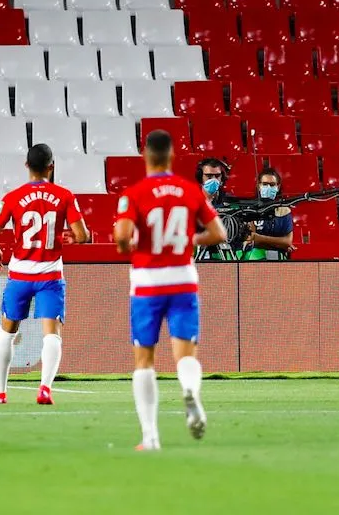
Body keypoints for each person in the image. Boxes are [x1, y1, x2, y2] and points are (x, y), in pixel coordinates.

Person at [115, 130, 227, 451]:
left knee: (144, 359)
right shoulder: (190, 191)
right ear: (172, 156)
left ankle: (150, 436)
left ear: (145, 155)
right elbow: (218, 233)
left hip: (148, 282)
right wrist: (188, 240)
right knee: (185, 354)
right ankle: (190, 390)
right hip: (182, 280)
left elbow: (122, 238)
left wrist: (134, 246)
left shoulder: (134, 193)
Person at [0, 143, 91, 406]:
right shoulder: (64, 196)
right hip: (50, 275)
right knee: (51, 334)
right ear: (51, 166)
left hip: (20, 274)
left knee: (7, 332)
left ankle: (0, 392)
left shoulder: (13, 197)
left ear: (26, 165)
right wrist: (72, 238)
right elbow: (83, 235)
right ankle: (44, 389)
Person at [241, 168, 293, 261]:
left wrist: (258, 238)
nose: (268, 187)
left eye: (272, 185)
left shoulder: (284, 210)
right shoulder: (249, 208)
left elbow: (288, 242)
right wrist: (278, 244)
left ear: (278, 186)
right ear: (259, 185)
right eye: (265, 184)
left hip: (277, 259)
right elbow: (249, 239)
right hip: (253, 257)